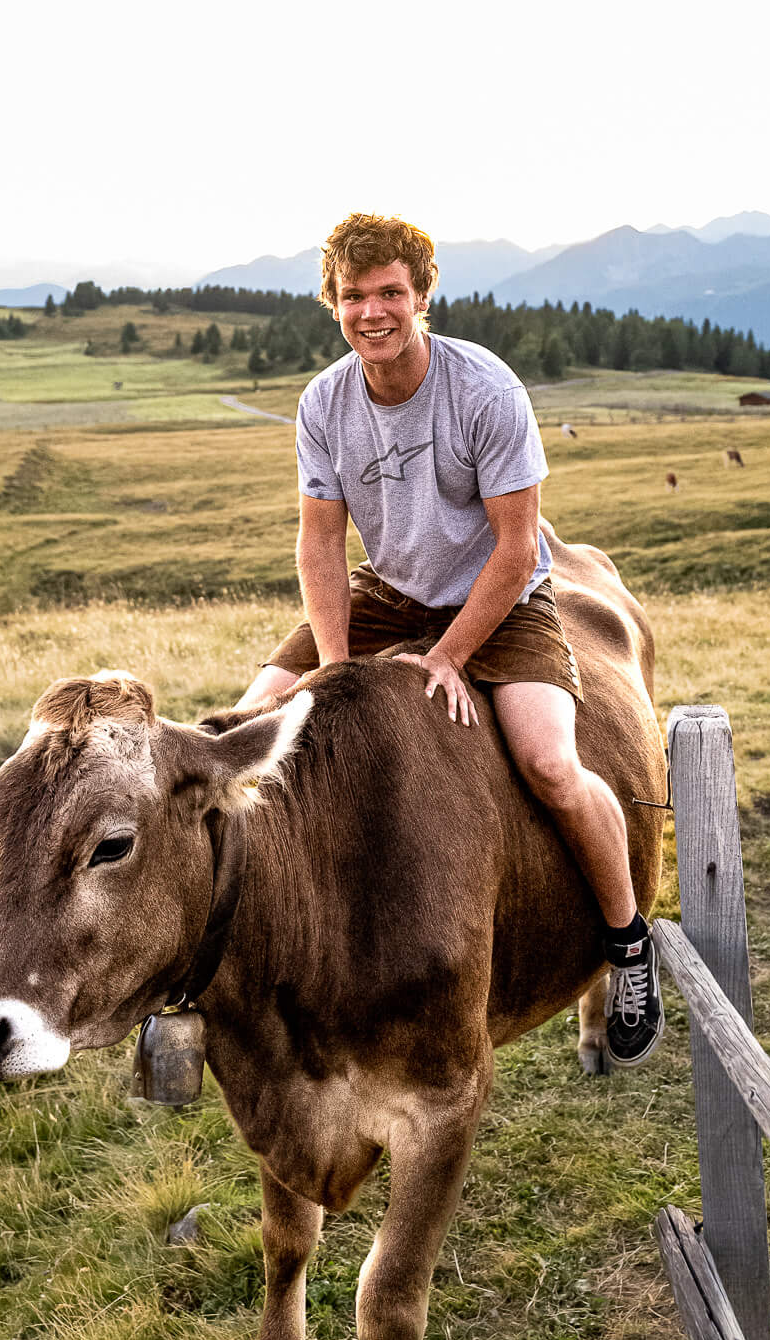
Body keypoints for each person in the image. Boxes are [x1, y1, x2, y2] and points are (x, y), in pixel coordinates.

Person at [238, 211, 662, 1067]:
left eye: (389, 292)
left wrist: (448, 656)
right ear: (333, 303)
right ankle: (215, 969)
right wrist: (333, 669)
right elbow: (320, 543)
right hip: (386, 594)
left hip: (501, 599)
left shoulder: (484, 388)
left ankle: (627, 943)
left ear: (422, 294)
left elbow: (515, 546)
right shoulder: (324, 401)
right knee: (243, 730)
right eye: (353, 296)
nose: (372, 311)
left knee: (548, 761)